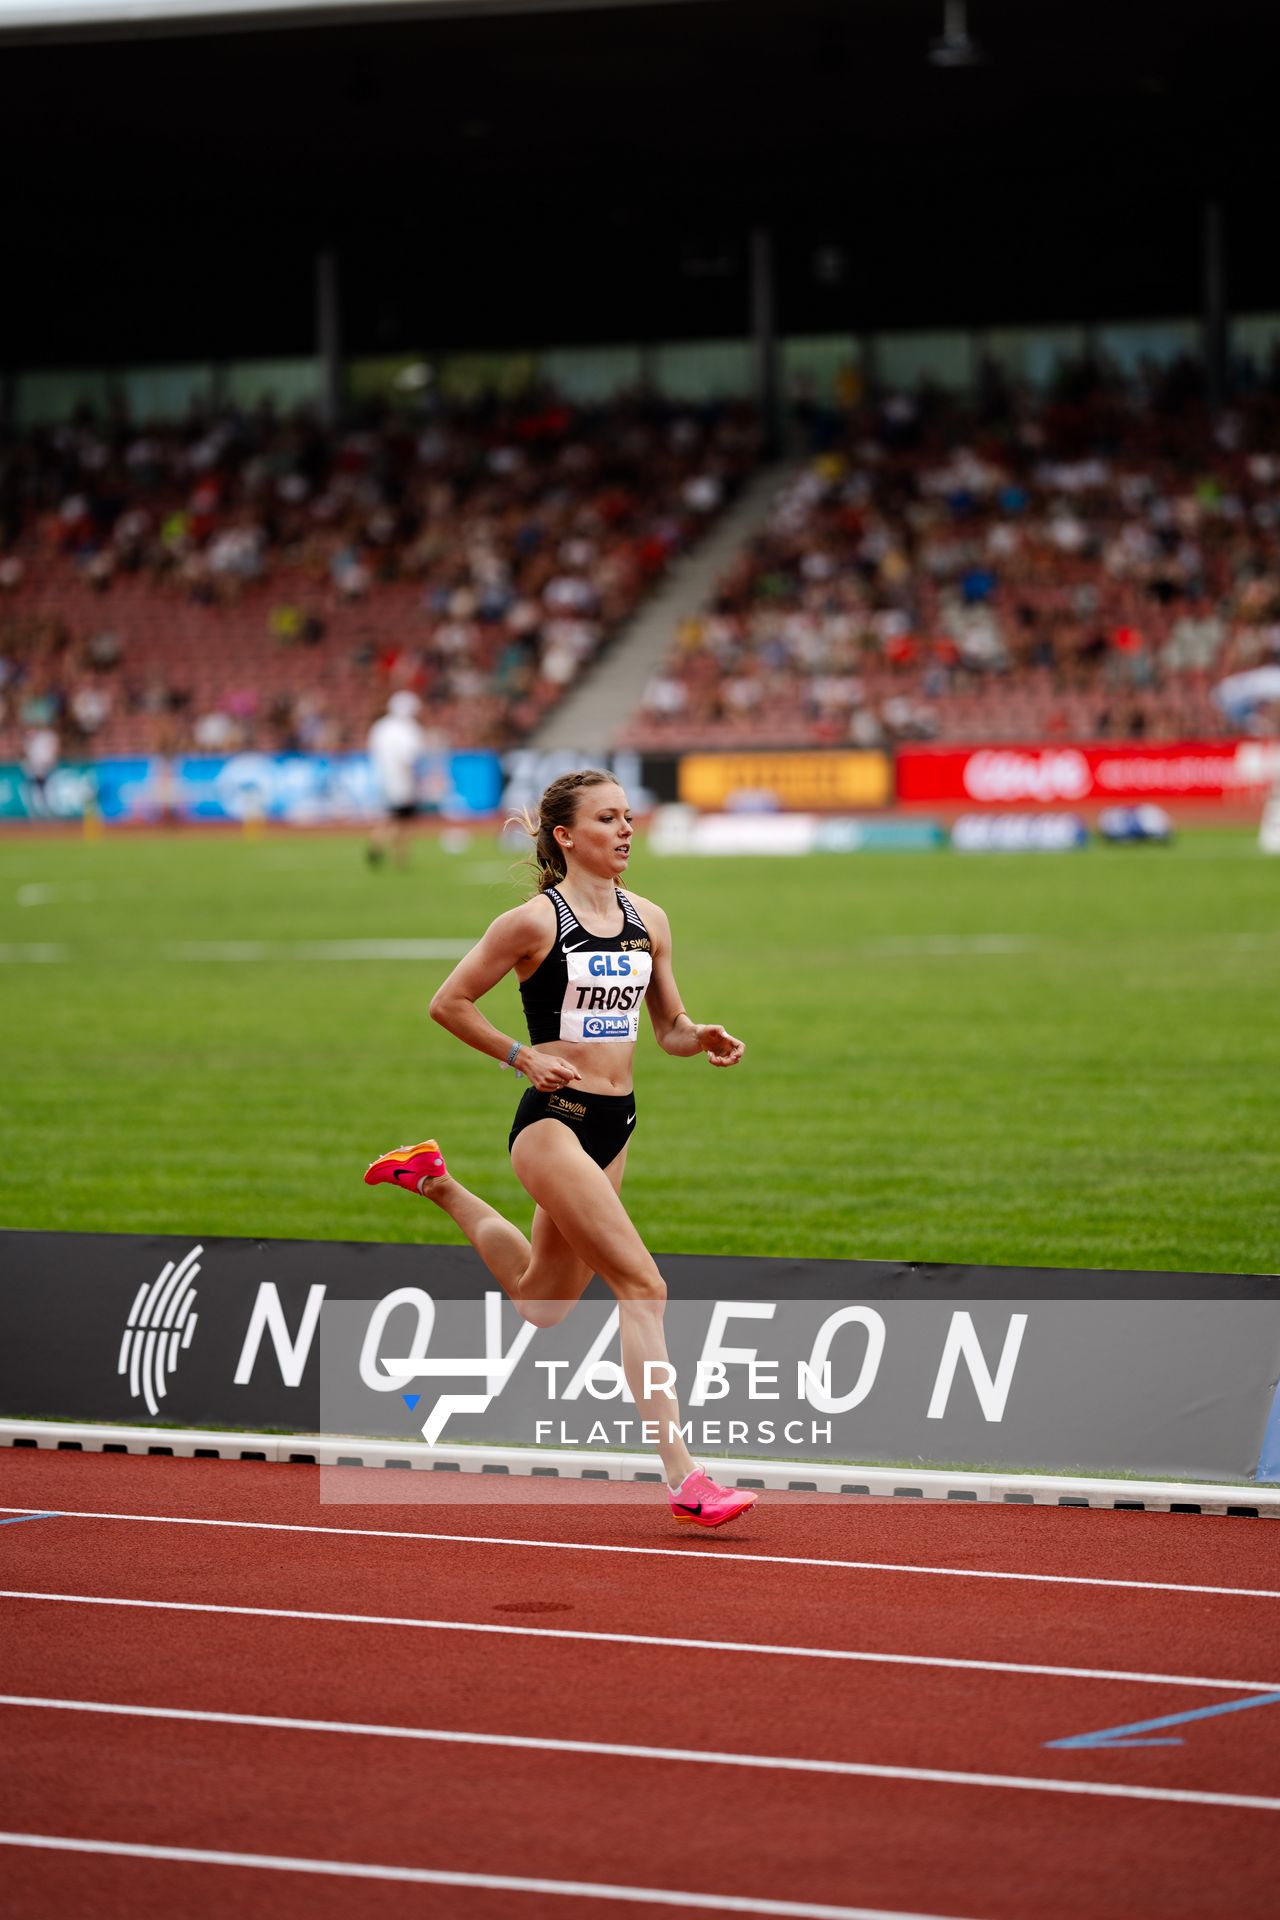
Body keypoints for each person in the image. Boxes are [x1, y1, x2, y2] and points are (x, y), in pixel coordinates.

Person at [365, 767, 756, 1529]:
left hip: (618, 1123)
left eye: (628, 817)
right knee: (642, 1286)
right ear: (566, 836)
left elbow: (667, 1029)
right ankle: (685, 1477)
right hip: (553, 1124)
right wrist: (521, 1055)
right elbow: (447, 1003)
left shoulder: (651, 920)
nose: (625, 829)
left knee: (541, 1304)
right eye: (607, 819)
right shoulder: (532, 924)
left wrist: (696, 1035)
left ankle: (437, 1181)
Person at [366, 690, 429, 868]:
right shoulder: (409, 729)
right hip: (402, 780)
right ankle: (400, 856)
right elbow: (408, 759)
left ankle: (378, 843)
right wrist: (410, 783)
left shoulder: (380, 727)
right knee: (403, 820)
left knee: (389, 815)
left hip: (383, 778)